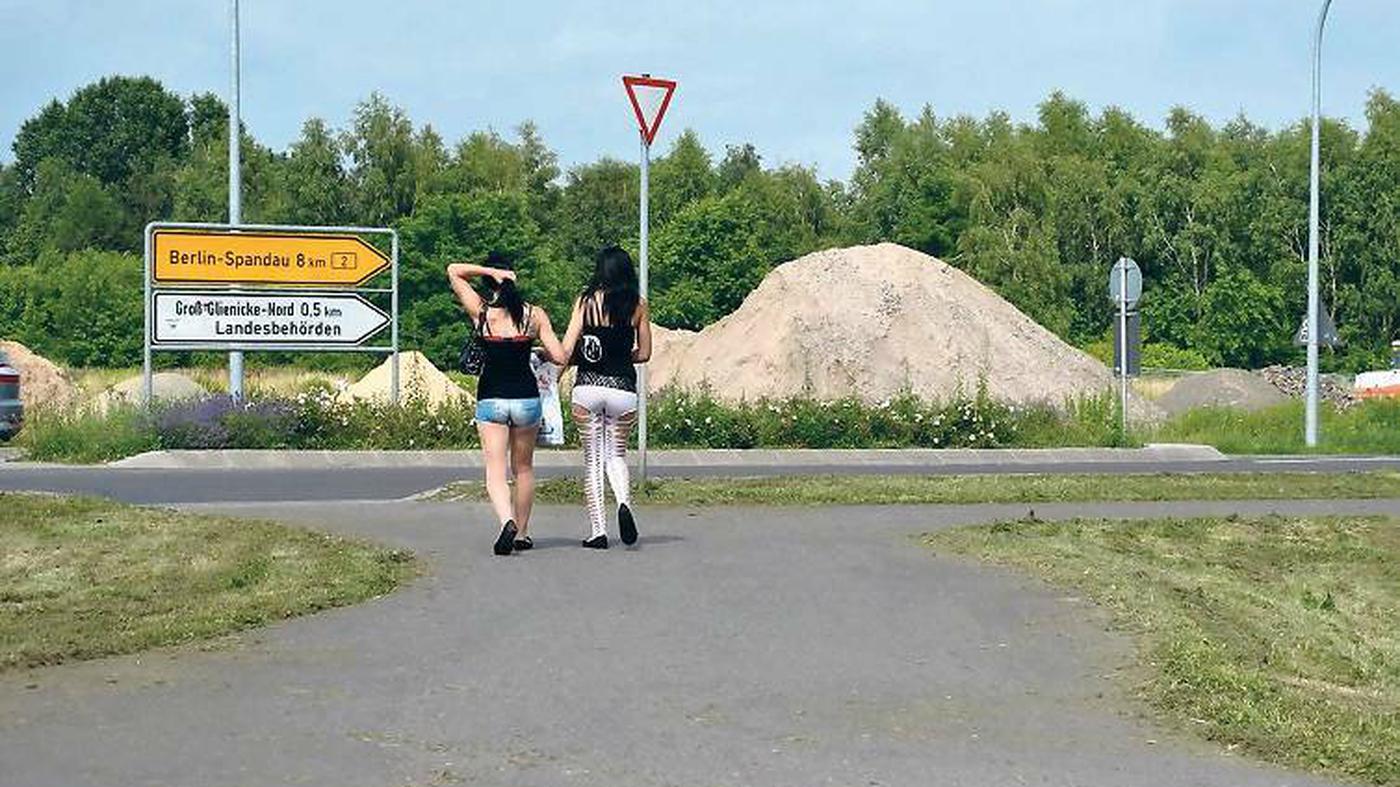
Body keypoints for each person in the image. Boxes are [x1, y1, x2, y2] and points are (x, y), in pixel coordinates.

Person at [447, 253, 567, 556]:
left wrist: (491, 271)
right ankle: (523, 533)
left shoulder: (483, 313)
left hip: (491, 399)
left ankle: (506, 522)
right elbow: (561, 356)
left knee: (495, 471)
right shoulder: (534, 316)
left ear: (490, 282)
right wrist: (536, 350)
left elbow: (454, 270)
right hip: (527, 399)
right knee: (524, 469)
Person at [561, 246, 652, 549]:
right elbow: (645, 353)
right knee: (616, 455)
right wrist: (623, 355)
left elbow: (566, 349)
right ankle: (624, 502)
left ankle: (598, 532)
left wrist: (554, 375)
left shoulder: (585, 303)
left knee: (593, 461)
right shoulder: (638, 306)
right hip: (623, 390)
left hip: (587, 388)